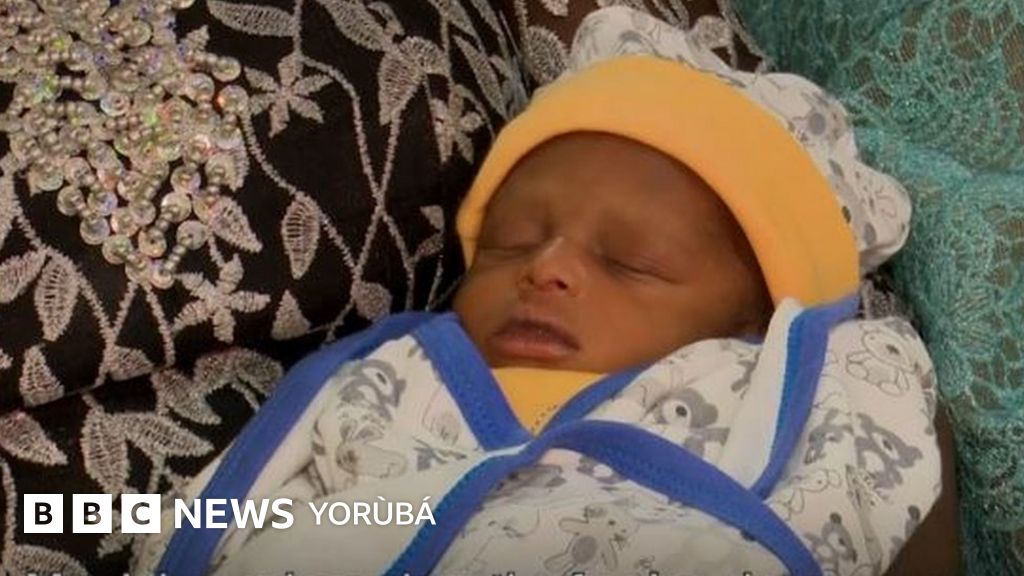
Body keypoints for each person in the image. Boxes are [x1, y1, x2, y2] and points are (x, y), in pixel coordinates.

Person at [140, 15, 939, 576]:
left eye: (632, 261)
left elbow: (893, 508)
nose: (547, 267)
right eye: (511, 241)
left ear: (760, 316)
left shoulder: (795, 383)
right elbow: (209, 524)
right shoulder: (395, 379)